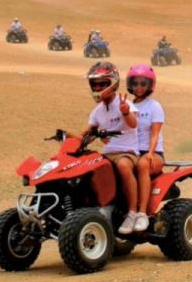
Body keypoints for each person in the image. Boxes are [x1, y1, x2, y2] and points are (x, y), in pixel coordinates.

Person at [70, 62, 140, 234]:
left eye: (102, 83)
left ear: (113, 83)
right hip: (107, 154)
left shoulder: (126, 104)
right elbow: (86, 133)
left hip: (127, 151)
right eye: (94, 84)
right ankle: (103, 206)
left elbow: (133, 124)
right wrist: (68, 136)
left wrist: (125, 112)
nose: (98, 87)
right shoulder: (97, 111)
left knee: (123, 166)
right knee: (89, 168)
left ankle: (132, 213)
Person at [128, 64, 165, 232]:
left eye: (143, 83)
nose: (139, 87)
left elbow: (155, 134)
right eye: (135, 83)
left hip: (154, 152)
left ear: (150, 85)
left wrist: (150, 153)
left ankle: (141, 214)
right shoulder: (127, 105)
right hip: (133, 151)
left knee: (142, 165)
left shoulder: (154, 106)